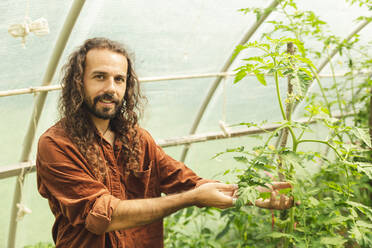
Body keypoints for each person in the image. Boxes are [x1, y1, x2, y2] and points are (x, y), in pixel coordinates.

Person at [36, 37, 293, 248]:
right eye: (100, 77)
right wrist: (191, 198)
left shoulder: (138, 140)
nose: (111, 88)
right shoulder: (56, 145)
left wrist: (250, 195)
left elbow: (187, 183)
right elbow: (102, 216)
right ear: (79, 82)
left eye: (119, 79)